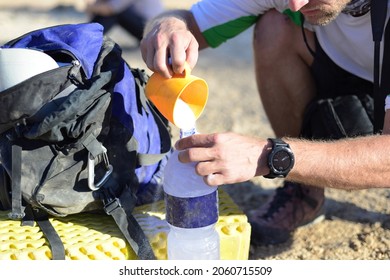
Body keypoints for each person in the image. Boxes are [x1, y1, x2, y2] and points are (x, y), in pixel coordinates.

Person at [140, 0, 390, 246]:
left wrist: (271, 156)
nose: (295, 5)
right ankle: (304, 192)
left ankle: (294, 170)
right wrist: (169, 26)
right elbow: (188, 19)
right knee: (275, 25)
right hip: (353, 90)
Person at [85, 0, 164, 42]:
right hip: (145, 28)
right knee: (112, 10)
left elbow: (110, 9)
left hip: (151, 30)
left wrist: (91, 7)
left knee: (116, 12)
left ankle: (88, 36)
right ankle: (87, 34)